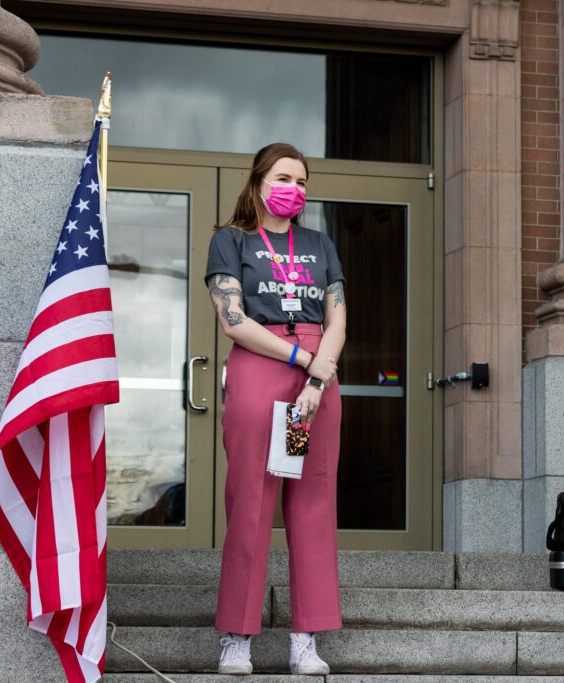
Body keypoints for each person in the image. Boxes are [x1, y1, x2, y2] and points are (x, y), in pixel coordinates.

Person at [205, 142, 347, 676]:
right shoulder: (231, 239)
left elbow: (338, 318)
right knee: (251, 500)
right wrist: (297, 356)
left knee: (310, 501)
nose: (297, 188)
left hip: (314, 381)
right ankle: (237, 637)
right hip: (261, 366)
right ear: (261, 180)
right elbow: (233, 319)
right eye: (286, 177)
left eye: (304, 181)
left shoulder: (319, 243)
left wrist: (316, 373)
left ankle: (305, 639)